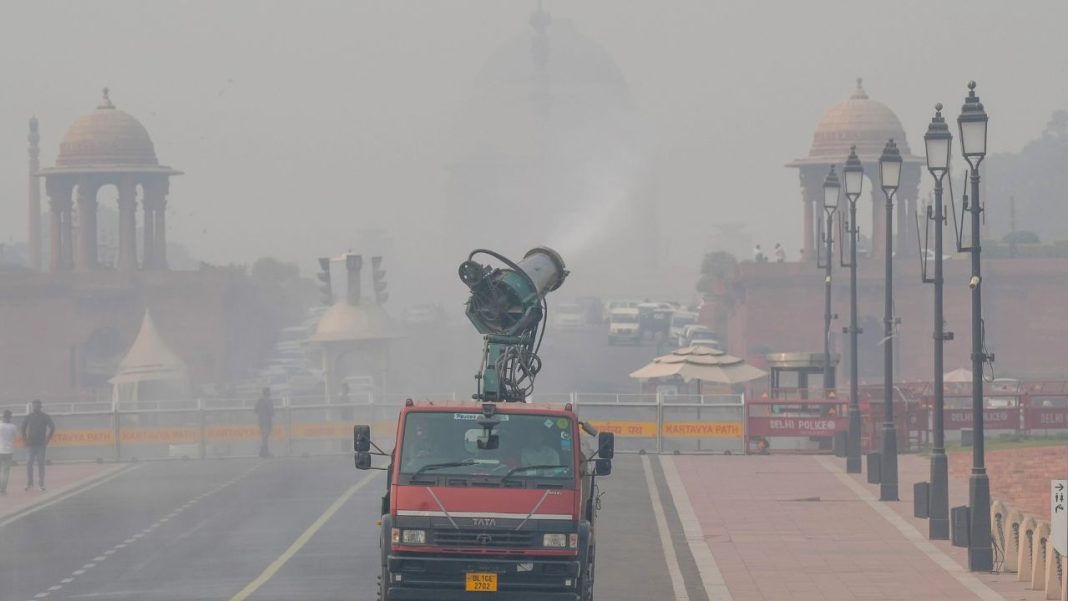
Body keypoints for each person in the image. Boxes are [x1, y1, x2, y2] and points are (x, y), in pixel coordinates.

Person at [21, 399, 54, 491]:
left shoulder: (45, 417)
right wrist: (24, 440)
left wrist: (47, 440)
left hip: (41, 444)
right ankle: (30, 483)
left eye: (38, 405)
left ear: (40, 406)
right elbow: (22, 428)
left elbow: (52, 427)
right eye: (34, 405)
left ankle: (41, 483)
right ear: (32, 406)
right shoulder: (29, 417)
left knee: (41, 463)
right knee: (29, 463)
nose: (36, 407)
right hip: (30, 444)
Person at [254, 388, 275, 458]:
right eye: (269, 392)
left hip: (260, 420)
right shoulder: (269, 401)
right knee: (265, 436)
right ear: (267, 393)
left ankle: (264, 451)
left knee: (264, 436)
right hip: (267, 420)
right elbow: (271, 412)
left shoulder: (259, 401)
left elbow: (255, 410)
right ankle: (263, 451)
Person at [0, 410, 17, 495]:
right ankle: (3, 489)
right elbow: (14, 437)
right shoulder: (13, 426)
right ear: (10, 417)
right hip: (9, 451)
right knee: (5, 471)